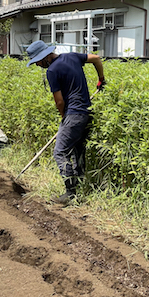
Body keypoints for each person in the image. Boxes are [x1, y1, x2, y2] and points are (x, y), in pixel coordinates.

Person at [26, 40, 105, 205]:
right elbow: (96, 58)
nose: (38, 65)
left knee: (60, 152)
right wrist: (101, 79)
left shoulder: (52, 70)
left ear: (46, 57)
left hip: (73, 114)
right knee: (77, 150)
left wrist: (64, 117)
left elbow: (59, 102)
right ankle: (80, 186)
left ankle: (70, 193)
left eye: (38, 61)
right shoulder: (73, 56)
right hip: (86, 112)